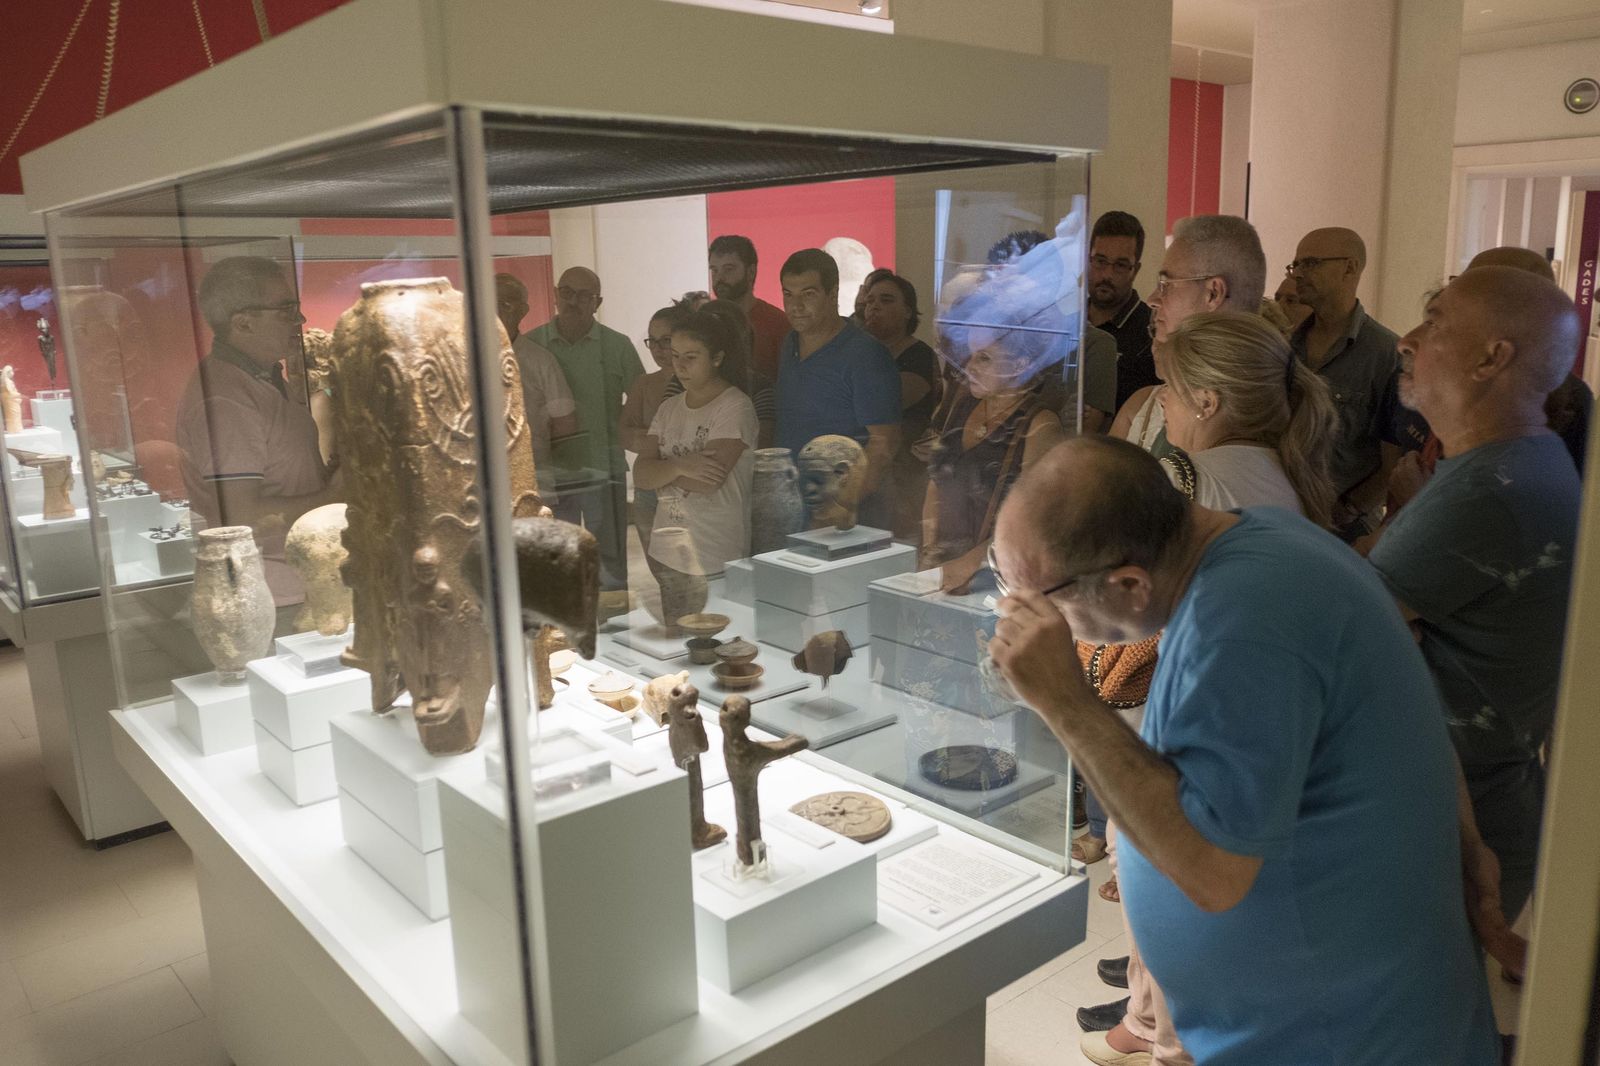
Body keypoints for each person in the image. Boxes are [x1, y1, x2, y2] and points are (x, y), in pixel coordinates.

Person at [987, 436, 1503, 1066]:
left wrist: (1065, 701)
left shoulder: (1238, 624)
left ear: (1129, 583)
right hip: (1322, 1011)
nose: (1020, 616)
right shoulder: (1268, 536)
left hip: (1335, 1035)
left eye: (1037, 602)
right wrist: (1469, 848)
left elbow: (1213, 872)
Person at [1370, 266, 1582, 926]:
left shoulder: (1492, 489)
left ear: (1492, 358)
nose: (1407, 339)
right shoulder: (1514, 462)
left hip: (1453, 826)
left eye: (1435, 322)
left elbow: (1349, 629)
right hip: (1455, 808)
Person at [175, 256, 339, 614]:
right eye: (286, 310)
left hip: (296, 582)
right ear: (243, 323)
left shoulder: (262, 378)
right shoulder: (226, 400)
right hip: (269, 596)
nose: (300, 320)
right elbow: (240, 515)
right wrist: (333, 496)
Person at [1109, 215, 1269, 460]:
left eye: (1166, 284)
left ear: (1213, 293)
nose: (1152, 300)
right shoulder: (1144, 407)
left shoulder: (1268, 414)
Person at [527, 267, 644, 595]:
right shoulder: (532, 345)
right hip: (551, 473)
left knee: (609, 566)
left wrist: (622, 431)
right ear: (555, 294)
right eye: (567, 292)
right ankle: (566, 623)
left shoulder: (617, 346)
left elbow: (642, 400)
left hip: (603, 469)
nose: (573, 301)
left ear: (597, 302)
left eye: (583, 295)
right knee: (557, 562)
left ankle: (614, 622)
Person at [1286, 227, 1403, 540]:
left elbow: (1396, 462)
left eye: (1311, 263)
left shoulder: (1387, 354)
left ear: (1350, 268)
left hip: (1344, 529)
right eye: (1296, 265)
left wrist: (1350, 508)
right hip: (1282, 513)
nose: (1298, 274)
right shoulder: (1283, 346)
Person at [773, 248, 901, 527]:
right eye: (788, 294)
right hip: (795, 507)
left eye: (808, 294)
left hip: (848, 518)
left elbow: (884, 443)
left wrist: (839, 507)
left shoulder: (865, 355)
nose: (795, 306)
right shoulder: (789, 343)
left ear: (833, 294)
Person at [632, 308, 758, 580]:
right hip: (668, 548)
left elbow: (708, 481)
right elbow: (640, 475)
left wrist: (661, 471)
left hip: (715, 551)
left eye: (691, 357)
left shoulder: (735, 406)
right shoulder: (668, 407)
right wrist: (680, 466)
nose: (680, 365)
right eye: (675, 355)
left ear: (717, 358)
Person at [860, 271, 941, 541]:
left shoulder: (920, 356)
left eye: (886, 300)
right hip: (869, 473)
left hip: (905, 481)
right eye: (870, 301)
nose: (874, 307)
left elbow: (888, 402)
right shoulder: (861, 354)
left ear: (908, 311)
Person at [501, 273, 579, 509]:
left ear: (523, 310)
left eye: (504, 303)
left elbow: (565, 424)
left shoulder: (540, 360)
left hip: (533, 478)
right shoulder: (462, 358)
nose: (494, 310)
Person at [621, 306, 680, 556]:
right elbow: (624, 434)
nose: (658, 349)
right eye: (652, 341)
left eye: (665, 340)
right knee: (658, 563)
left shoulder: (702, 384)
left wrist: (649, 440)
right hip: (649, 486)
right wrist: (659, 443)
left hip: (686, 484)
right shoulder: (644, 383)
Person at [1086, 212, 1156, 413]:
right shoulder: (1067, 323)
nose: (1107, 274)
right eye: (1100, 261)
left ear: (1135, 270)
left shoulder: (1152, 335)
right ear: (1088, 260)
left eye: (1120, 265)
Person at [709, 235, 791, 381]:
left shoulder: (778, 324)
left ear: (751, 272)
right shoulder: (704, 321)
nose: (719, 278)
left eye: (728, 269)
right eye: (714, 270)